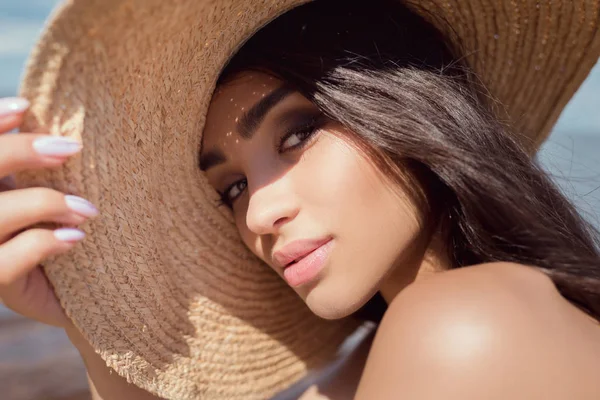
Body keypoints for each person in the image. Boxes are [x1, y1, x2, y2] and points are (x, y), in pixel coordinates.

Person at [2, 0, 600, 399]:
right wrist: (86, 314)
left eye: (296, 134)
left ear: (416, 107)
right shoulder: (365, 364)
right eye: (231, 189)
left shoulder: (463, 324)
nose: (258, 214)